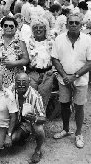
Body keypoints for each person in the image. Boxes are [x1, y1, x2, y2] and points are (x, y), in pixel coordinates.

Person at [52, 13, 91, 148]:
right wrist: (64, 76)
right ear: (67, 24)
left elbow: (89, 62)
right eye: (71, 22)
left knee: (79, 106)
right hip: (63, 79)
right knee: (64, 104)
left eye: (76, 23)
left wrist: (74, 76)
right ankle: (66, 129)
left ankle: (78, 133)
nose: (73, 25)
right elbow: (55, 59)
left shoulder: (88, 39)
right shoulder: (59, 39)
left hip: (80, 79)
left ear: (81, 25)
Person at [11, 73, 46, 163]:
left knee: (39, 129)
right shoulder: (11, 90)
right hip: (16, 120)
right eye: (18, 82)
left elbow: (43, 118)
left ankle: (37, 150)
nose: (21, 85)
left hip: (30, 123)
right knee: (13, 139)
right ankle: (22, 137)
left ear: (29, 82)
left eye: (24, 82)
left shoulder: (35, 96)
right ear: (14, 82)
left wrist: (34, 118)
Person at [0, 17, 29, 88]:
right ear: (2, 27)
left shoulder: (20, 42)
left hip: (14, 77)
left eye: (11, 26)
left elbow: (26, 60)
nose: (8, 28)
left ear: (16, 28)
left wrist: (14, 63)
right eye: (5, 25)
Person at [26, 17, 55, 110]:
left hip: (48, 73)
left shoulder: (51, 42)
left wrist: (53, 71)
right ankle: (30, 120)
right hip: (32, 73)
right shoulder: (28, 42)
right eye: (35, 27)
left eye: (41, 27)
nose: (38, 30)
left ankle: (41, 120)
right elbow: (24, 58)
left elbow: (56, 58)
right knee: (31, 97)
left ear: (45, 29)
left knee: (43, 98)